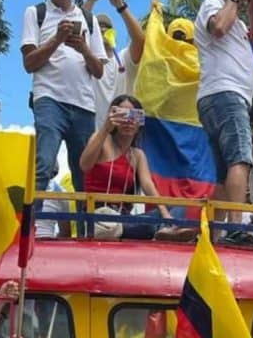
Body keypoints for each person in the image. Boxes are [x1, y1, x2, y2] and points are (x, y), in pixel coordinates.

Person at [21, 0, 106, 196]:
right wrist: (57, 39)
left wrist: (84, 49)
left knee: (84, 175)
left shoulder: (89, 19)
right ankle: (28, 228)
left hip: (84, 105)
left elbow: (99, 71)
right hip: (49, 99)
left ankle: (87, 229)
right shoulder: (35, 13)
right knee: (44, 165)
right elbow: (29, 63)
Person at [195, 0, 253, 227]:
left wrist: (252, 12)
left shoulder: (236, 21)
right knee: (240, 160)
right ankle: (236, 227)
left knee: (222, 172)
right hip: (227, 94)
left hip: (221, 97)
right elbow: (217, 28)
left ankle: (216, 233)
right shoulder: (213, 3)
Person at [80, 94, 189, 240]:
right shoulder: (101, 139)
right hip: (99, 216)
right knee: (148, 225)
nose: (128, 121)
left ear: (140, 122)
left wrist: (166, 215)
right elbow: (84, 165)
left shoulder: (137, 155)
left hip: (124, 219)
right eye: (122, 115)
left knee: (180, 208)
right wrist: (105, 127)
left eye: (134, 116)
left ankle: (164, 229)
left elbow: (148, 186)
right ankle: (159, 230)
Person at [83, 0, 145, 129]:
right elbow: (74, 28)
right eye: (98, 27)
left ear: (113, 33)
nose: (103, 30)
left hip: (123, 133)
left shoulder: (124, 58)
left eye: (106, 27)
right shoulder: (85, 62)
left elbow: (140, 39)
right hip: (94, 135)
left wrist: (120, 6)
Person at [35, 162, 71, 237]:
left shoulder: (18, 188)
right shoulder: (60, 192)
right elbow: (65, 233)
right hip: (47, 240)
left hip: (20, 241)